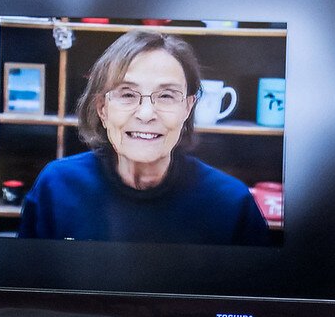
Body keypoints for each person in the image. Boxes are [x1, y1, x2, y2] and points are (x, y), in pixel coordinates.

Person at [14, 29, 271, 245]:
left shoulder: (232, 204)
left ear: (188, 108)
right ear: (102, 109)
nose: (147, 114)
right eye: (127, 94)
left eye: (166, 96)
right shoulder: (56, 186)